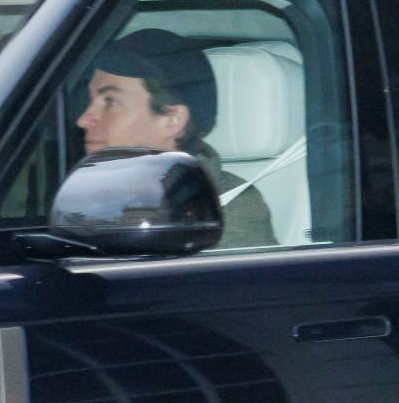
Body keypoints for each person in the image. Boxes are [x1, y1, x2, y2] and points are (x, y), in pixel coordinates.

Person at [76, 28, 277, 248]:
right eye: (90, 100)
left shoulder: (227, 209)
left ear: (172, 119)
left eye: (110, 102)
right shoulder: (91, 196)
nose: (84, 119)